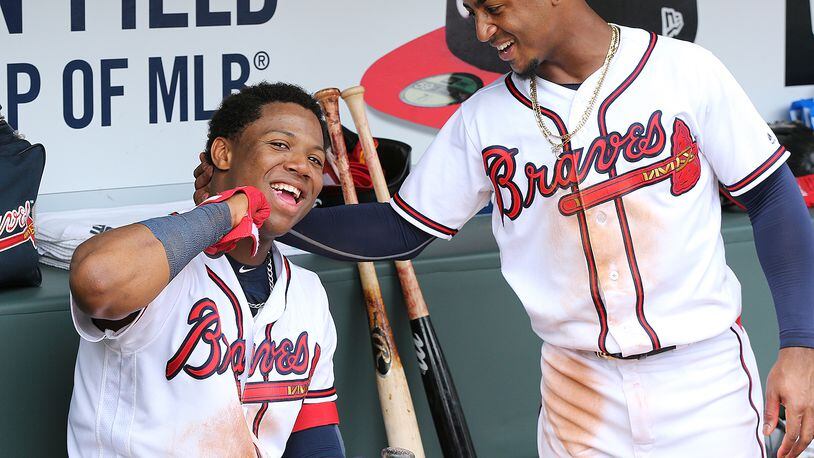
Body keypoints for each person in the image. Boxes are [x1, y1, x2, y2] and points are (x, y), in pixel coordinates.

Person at [196, 2, 814, 457]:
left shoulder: (685, 73)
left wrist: (802, 345)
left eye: (493, 8)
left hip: (701, 377)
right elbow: (399, 230)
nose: (482, 29)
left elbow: (775, 203)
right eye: (472, 11)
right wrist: (260, 212)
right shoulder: (483, 120)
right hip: (578, 385)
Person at [70, 82, 344, 457]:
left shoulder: (307, 295)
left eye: (315, 160)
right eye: (279, 145)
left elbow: (315, 442)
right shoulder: (155, 264)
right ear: (223, 153)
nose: (301, 166)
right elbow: (97, 281)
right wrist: (227, 211)